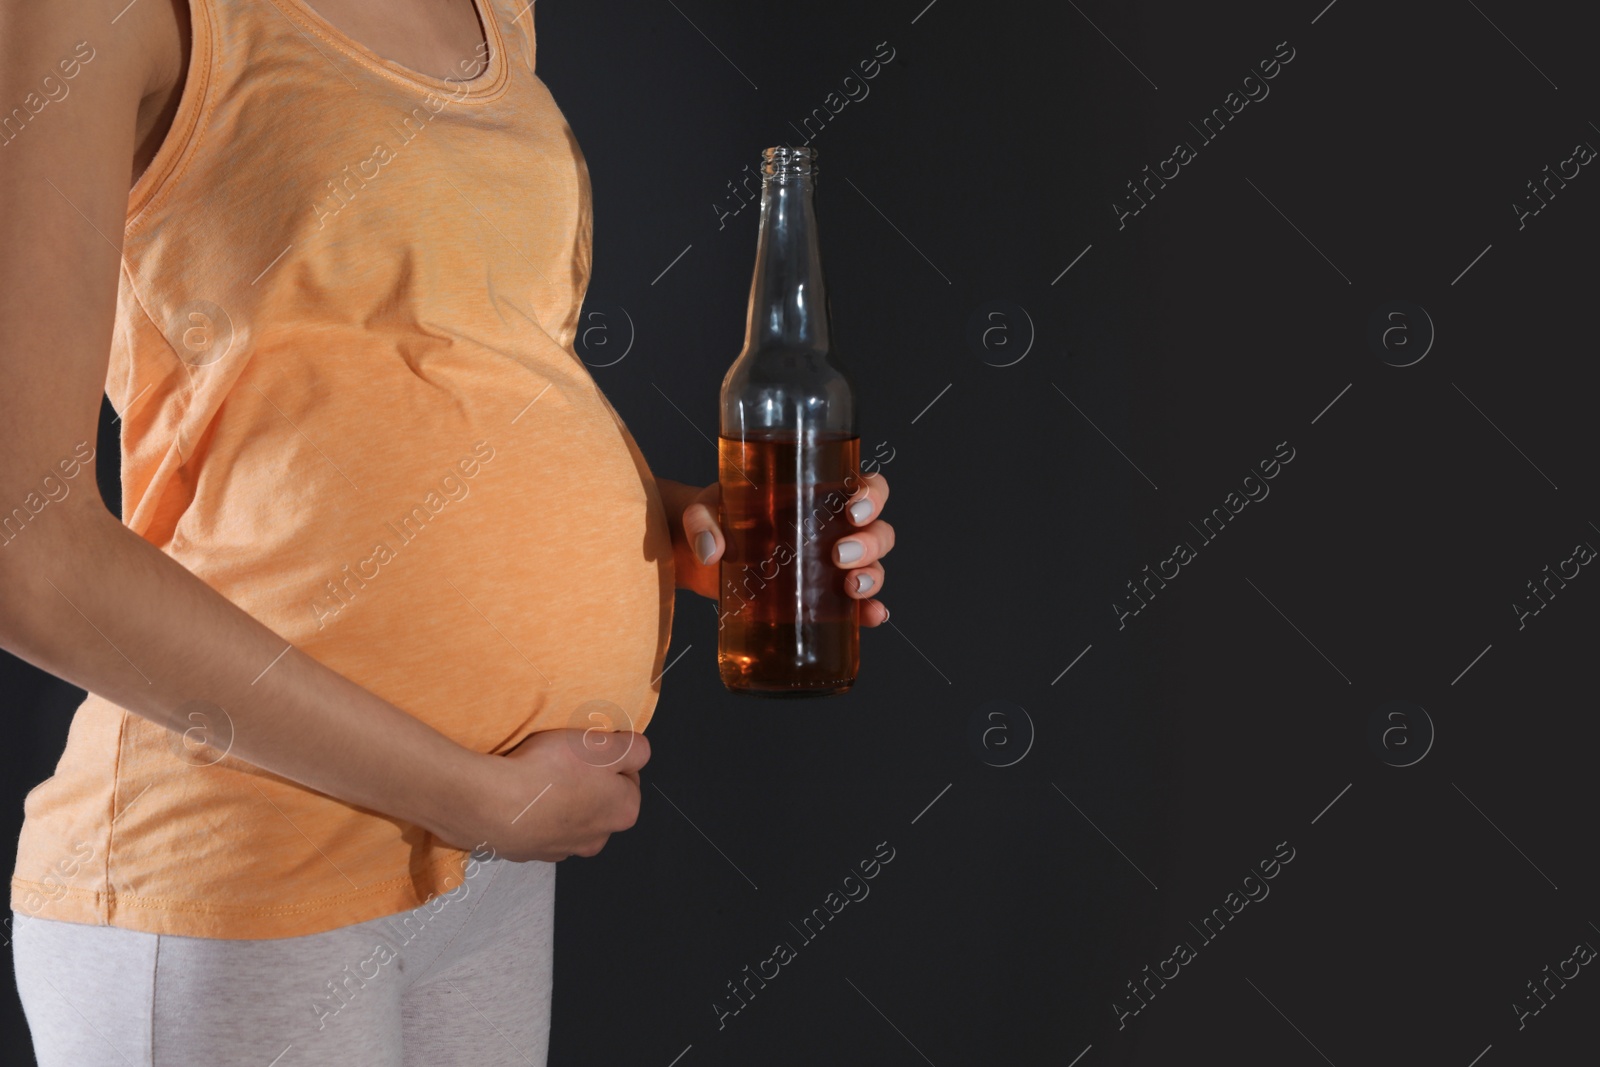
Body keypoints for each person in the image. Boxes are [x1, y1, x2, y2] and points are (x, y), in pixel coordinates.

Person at [0, 0, 895, 1062]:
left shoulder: (493, 12)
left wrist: (675, 525)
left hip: (489, 863)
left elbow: (455, 356)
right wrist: (477, 797)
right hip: (244, 861)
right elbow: (23, 550)